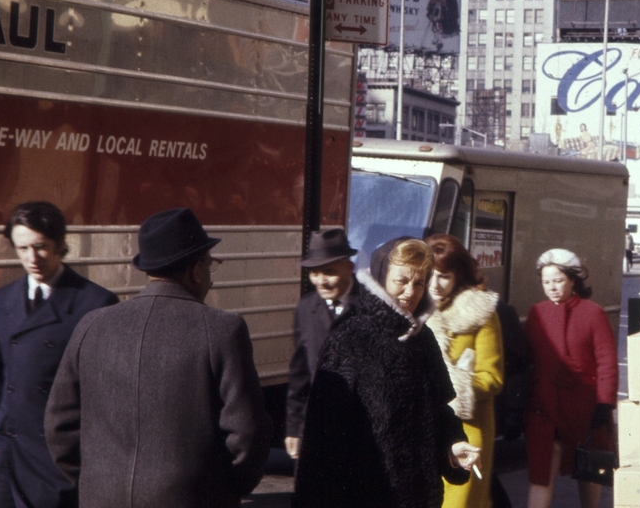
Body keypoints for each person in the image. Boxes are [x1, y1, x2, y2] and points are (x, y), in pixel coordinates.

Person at [45, 208, 272, 507]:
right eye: (209, 264)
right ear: (195, 269)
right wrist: (221, 490)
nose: (211, 278)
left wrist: (95, 480)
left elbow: (59, 426)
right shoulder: (222, 329)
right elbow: (247, 434)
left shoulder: (92, 325)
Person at [293, 238, 480, 507]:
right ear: (381, 279)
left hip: (417, 497)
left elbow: (438, 413)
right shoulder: (349, 339)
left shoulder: (423, 339)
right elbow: (322, 440)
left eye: (418, 282)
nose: (410, 291)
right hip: (362, 496)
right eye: (401, 281)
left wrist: (454, 446)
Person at [0, 201, 117, 508]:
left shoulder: (94, 302)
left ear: (60, 244)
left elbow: (105, 394)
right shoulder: (4, 299)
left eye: (41, 247)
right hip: (5, 455)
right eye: (22, 248)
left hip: (56, 459)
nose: (31, 258)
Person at [525, 250, 617, 508]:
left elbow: (607, 362)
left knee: (589, 474)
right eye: (546, 282)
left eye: (558, 280)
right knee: (540, 475)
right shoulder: (536, 313)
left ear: (573, 280)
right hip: (544, 409)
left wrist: (604, 403)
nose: (552, 287)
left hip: (586, 409)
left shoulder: (593, 313)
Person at [426, 235, 504, 508]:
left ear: (458, 276)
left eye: (444, 276)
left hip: (467, 428)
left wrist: (457, 385)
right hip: (425, 430)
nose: (435, 284)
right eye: (430, 275)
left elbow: (492, 378)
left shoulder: (480, 311)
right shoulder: (415, 311)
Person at [285, 228, 361, 460]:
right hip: (316, 428)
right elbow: (299, 375)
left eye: (329, 272)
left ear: (349, 267)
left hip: (359, 433)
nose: (321, 281)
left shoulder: (371, 308)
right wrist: (294, 428)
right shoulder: (306, 308)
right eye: (314, 273)